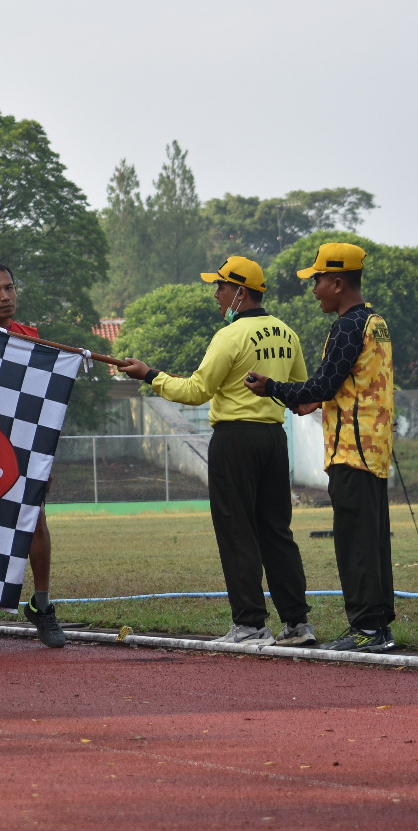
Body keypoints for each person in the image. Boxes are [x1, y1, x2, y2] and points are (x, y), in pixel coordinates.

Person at [117, 256, 314, 646]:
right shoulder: (286, 333)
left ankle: (250, 623)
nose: (216, 295)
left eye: (221, 287)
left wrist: (149, 375)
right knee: (277, 531)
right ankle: (297, 624)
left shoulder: (229, 337)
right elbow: (301, 392)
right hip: (274, 440)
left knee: (237, 530)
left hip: (235, 440)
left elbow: (195, 392)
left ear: (240, 292)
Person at [246, 241, 397, 652]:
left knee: (355, 543)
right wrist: (313, 397)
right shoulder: (375, 322)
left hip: (353, 449)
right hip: (373, 448)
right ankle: (378, 628)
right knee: (373, 540)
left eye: (316, 281)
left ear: (337, 282)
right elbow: (340, 384)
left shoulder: (348, 327)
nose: (312, 289)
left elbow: (325, 383)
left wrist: (273, 387)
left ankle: (367, 630)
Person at [0, 262, 65, 649]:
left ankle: (41, 606)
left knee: (34, 522)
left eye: (9, 288)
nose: (5, 297)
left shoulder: (32, 338)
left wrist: (46, 458)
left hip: (23, 444)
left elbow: (46, 404)